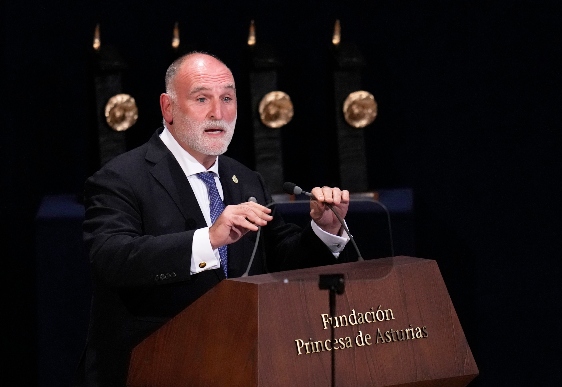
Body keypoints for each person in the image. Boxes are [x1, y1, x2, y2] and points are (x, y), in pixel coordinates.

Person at [78, 52, 356, 386]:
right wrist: (208, 239)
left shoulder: (246, 179)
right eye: (201, 99)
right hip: (150, 370)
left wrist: (324, 229)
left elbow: (282, 260)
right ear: (168, 108)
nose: (218, 113)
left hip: (238, 367)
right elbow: (113, 259)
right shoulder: (120, 178)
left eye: (227, 98)